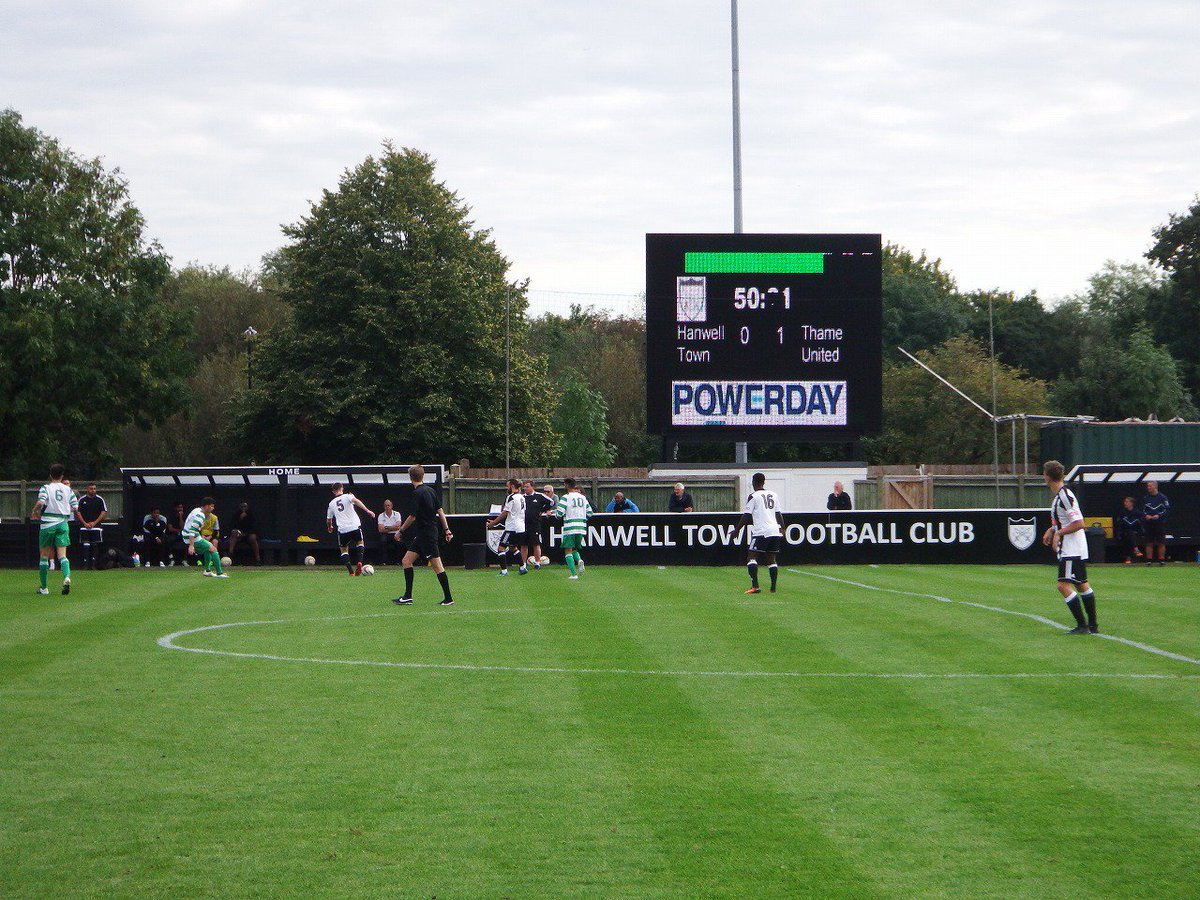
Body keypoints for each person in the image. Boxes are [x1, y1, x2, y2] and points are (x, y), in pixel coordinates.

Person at [1041, 460, 1098, 634]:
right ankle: (1093, 626)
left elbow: (1079, 523)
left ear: (1048, 477)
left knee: (1063, 586)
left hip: (1071, 549)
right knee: (1082, 585)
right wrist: (1052, 529)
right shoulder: (1061, 496)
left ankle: (1082, 625)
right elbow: (1066, 521)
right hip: (1076, 547)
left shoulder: (1064, 496)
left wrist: (1059, 533)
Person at [390, 464, 455, 606]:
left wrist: (400, 531)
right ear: (422, 475)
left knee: (437, 566)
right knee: (406, 561)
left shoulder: (417, 493)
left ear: (410, 477)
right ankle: (407, 596)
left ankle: (449, 598)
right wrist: (447, 530)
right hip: (422, 535)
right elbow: (441, 512)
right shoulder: (430, 491)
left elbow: (412, 516)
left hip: (427, 535)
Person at [31, 463, 76, 595]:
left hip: (47, 523)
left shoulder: (46, 488)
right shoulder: (68, 490)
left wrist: (34, 511)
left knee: (44, 556)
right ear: (62, 476)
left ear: (50, 475)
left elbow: (40, 502)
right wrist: (65, 510)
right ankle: (66, 577)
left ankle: (44, 588)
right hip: (62, 523)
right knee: (62, 555)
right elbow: (75, 506)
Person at [737, 472, 786, 594]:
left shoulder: (753, 496)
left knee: (751, 557)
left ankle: (755, 586)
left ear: (753, 483)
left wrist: (737, 530)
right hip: (774, 530)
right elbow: (778, 513)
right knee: (771, 559)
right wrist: (783, 528)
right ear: (764, 482)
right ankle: (773, 588)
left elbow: (747, 515)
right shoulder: (774, 495)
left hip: (761, 531)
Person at [326, 483, 375, 576]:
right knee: (360, 543)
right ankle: (360, 562)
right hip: (354, 526)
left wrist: (330, 527)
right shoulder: (348, 496)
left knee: (344, 550)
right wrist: (367, 510)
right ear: (342, 488)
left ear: (333, 491)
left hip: (343, 529)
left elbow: (329, 519)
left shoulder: (331, 504)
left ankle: (351, 572)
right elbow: (356, 501)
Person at [487, 478, 530, 575]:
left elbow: (505, 512)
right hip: (520, 528)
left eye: (508, 486)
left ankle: (504, 571)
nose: (507, 488)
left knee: (501, 548)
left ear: (512, 486)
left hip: (512, 528)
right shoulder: (522, 497)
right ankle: (523, 568)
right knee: (512, 548)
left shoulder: (511, 497)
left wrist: (493, 523)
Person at [555, 477, 594, 580]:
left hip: (570, 527)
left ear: (567, 485)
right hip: (581, 527)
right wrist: (582, 520)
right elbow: (590, 512)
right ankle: (579, 560)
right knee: (575, 549)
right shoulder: (582, 497)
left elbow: (559, 514)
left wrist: (555, 514)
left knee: (567, 550)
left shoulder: (565, 497)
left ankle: (574, 574)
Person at [183, 497, 228, 577]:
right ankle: (219, 573)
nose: (213, 508)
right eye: (212, 506)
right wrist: (191, 545)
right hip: (191, 536)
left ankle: (207, 571)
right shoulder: (200, 516)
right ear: (206, 506)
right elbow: (192, 530)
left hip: (187, 534)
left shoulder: (196, 510)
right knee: (213, 549)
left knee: (208, 549)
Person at [76, 482, 107, 570]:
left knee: (95, 545)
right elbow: (78, 512)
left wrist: (94, 522)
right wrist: (85, 523)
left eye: (94, 489)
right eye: (91, 489)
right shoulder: (82, 500)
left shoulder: (100, 499)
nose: (93, 490)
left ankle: (93, 565)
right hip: (84, 527)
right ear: (87, 489)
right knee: (86, 546)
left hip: (96, 527)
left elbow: (103, 511)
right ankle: (85, 565)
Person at [522, 481, 553, 567]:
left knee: (536, 543)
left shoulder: (539, 496)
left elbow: (551, 502)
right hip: (523, 524)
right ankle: (523, 563)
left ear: (532, 487)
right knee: (524, 544)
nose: (525, 489)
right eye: (524, 487)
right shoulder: (522, 497)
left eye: (527, 487)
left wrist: (543, 510)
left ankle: (537, 562)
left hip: (535, 523)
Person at [1140, 480, 1171, 566]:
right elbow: (1143, 510)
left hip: (1160, 523)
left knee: (1161, 542)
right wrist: (1146, 516)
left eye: (1150, 486)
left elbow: (1167, 509)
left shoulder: (1162, 497)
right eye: (1147, 486)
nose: (1148, 488)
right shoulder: (1145, 498)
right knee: (1148, 542)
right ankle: (1149, 560)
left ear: (1155, 486)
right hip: (1149, 524)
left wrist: (1159, 515)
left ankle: (1161, 560)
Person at [228, 501, 262, 565]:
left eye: (245, 507)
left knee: (252, 538)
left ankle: (258, 559)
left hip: (249, 534)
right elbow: (233, 526)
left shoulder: (252, 515)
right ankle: (230, 555)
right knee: (234, 534)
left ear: (248, 507)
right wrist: (240, 519)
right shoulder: (236, 515)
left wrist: (246, 534)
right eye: (242, 507)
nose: (243, 508)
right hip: (239, 534)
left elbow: (254, 528)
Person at [1115, 496, 1145, 565]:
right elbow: (1119, 523)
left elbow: (1141, 522)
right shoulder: (1122, 512)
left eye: (1126, 502)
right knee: (1128, 534)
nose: (1125, 503)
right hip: (1124, 532)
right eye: (1125, 502)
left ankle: (1128, 557)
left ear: (1131, 503)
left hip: (1135, 532)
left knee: (1131, 535)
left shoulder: (1137, 512)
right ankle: (1135, 549)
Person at [376, 498, 403, 566]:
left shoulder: (397, 514)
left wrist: (387, 527)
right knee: (382, 541)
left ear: (391, 506)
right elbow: (380, 529)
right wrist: (393, 527)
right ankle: (384, 562)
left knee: (399, 543)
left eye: (388, 505)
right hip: (385, 534)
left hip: (396, 534)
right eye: (386, 505)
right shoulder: (381, 516)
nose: (387, 507)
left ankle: (398, 562)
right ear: (384, 507)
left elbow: (398, 527)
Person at [166, 500, 187, 566]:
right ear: (175, 508)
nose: (180, 509)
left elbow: (183, 527)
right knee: (168, 541)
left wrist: (181, 517)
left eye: (181, 507)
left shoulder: (185, 517)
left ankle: (185, 560)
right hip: (174, 534)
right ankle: (171, 560)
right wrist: (178, 531)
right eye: (178, 507)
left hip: (183, 534)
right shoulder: (171, 516)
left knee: (187, 541)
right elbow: (170, 528)